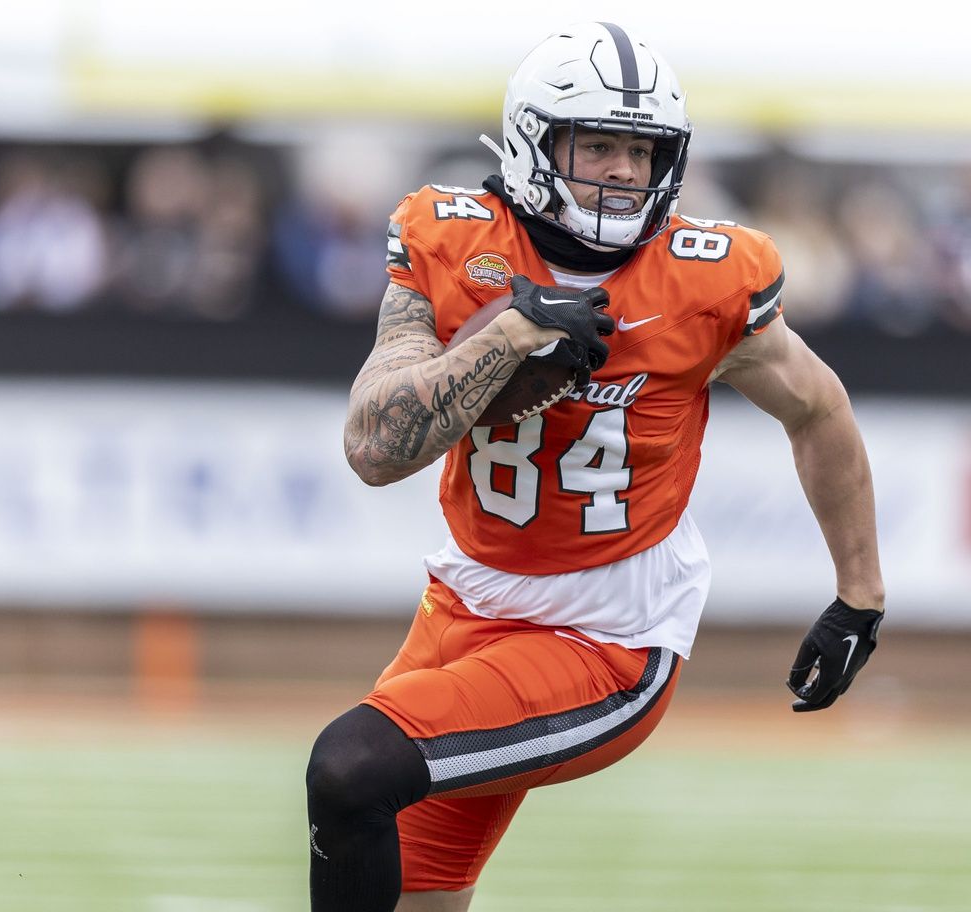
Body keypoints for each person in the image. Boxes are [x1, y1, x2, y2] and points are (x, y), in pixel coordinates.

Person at [306, 21, 885, 912]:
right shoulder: (454, 243)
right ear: (537, 144)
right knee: (414, 896)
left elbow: (818, 408)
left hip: (607, 633)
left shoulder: (704, 280)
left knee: (352, 770)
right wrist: (508, 333)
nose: (621, 170)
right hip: (467, 599)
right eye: (598, 146)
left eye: (640, 151)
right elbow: (373, 449)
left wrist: (858, 596)